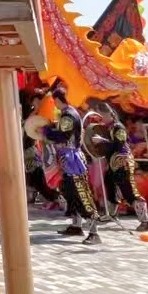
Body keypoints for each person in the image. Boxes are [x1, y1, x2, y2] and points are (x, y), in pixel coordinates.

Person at [41, 87, 101, 244]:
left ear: (58, 100)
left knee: (80, 193)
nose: (54, 104)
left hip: (73, 160)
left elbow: (63, 135)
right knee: (70, 193)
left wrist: (46, 131)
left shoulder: (68, 115)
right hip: (67, 159)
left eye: (54, 101)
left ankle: (94, 232)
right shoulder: (69, 113)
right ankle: (77, 226)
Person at [91, 114, 148, 232]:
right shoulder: (107, 128)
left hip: (122, 162)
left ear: (109, 115)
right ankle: (111, 214)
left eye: (103, 116)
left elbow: (119, 145)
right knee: (110, 185)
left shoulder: (118, 127)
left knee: (129, 191)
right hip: (113, 162)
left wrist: (102, 141)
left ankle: (145, 221)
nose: (102, 119)